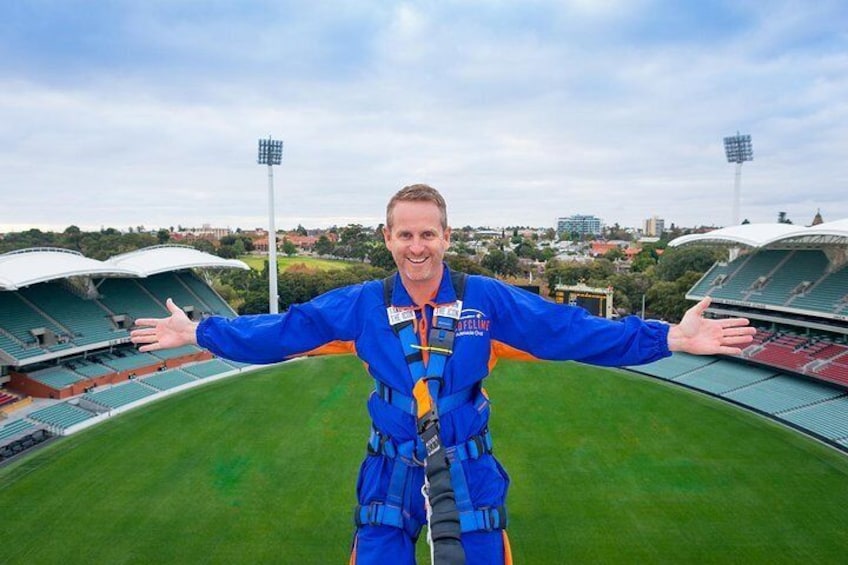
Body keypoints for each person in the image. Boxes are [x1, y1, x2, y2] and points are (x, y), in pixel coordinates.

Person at [131, 184, 755, 564]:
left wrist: (670, 335)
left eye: (428, 232)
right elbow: (285, 329)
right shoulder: (361, 303)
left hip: (468, 460)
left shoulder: (487, 298)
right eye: (405, 234)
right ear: (388, 237)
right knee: (376, 552)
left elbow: (569, 330)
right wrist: (201, 332)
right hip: (390, 462)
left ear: (446, 236)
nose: (417, 245)